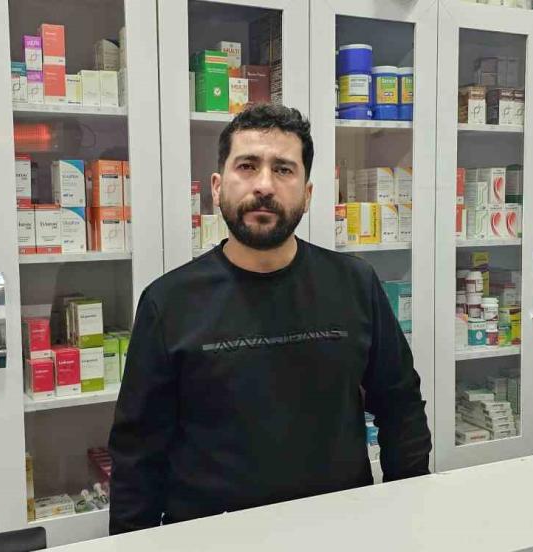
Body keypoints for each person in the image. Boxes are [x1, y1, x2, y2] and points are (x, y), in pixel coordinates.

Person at [108, 104, 431, 534]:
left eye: (283, 169)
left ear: (308, 193)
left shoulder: (355, 283)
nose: (264, 185)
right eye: (247, 166)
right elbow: (137, 454)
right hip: (212, 538)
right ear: (217, 187)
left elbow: (400, 406)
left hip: (341, 530)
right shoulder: (168, 302)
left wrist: (408, 519)